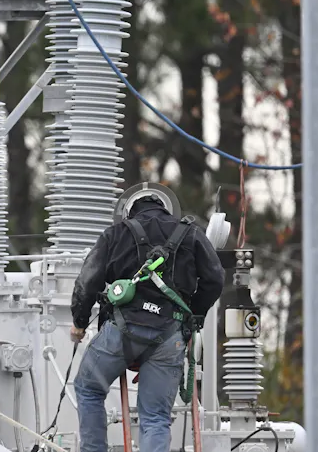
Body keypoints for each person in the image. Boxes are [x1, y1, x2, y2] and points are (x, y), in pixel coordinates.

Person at [69, 190, 225, 452]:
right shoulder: (192, 233)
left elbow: (88, 280)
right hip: (170, 336)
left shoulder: (115, 234)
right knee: (155, 417)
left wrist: (79, 322)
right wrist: (193, 315)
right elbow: (216, 279)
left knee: (88, 388)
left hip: (122, 331)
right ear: (166, 209)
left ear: (129, 212)